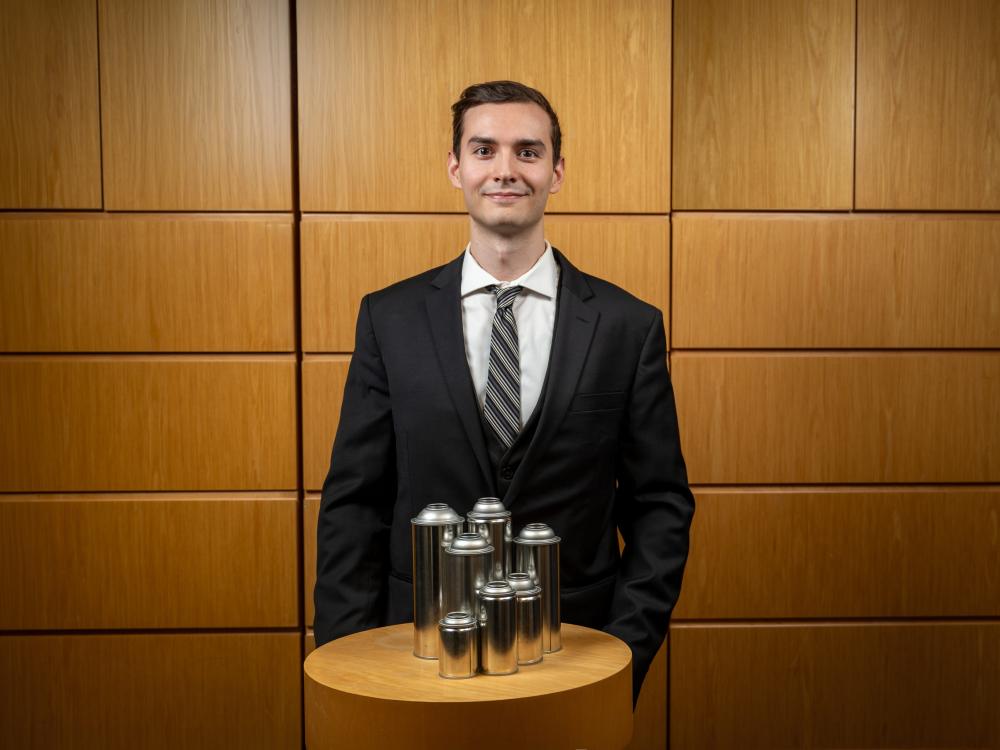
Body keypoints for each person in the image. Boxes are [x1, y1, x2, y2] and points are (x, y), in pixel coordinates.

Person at [314, 80, 694, 703]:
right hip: (414, 654)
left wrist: (624, 652)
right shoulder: (390, 318)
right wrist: (348, 665)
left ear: (556, 171)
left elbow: (660, 505)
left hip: (576, 653)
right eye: (485, 149)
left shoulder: (629, 326)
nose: (506, 170)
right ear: (455, 166)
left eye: (528, 151)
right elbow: (354, 502)